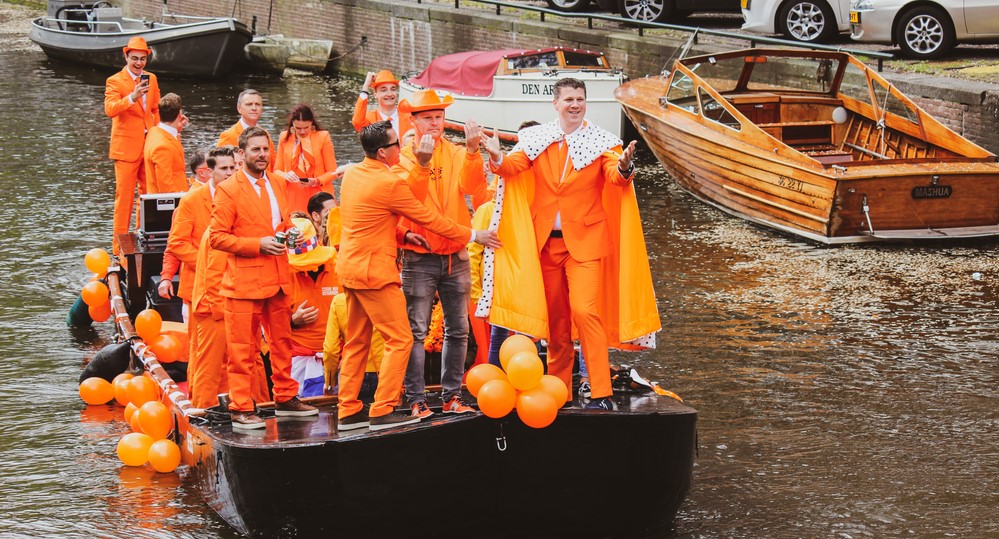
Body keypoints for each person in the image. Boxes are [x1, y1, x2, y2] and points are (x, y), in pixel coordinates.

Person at [484, 77, 659, 411]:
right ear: (556, 104)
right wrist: (495, 157)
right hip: (546, 245)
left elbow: (614, 176)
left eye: (580, 98)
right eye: (568, 99)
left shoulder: (602, 141)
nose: (575, 104)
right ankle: (559, 392)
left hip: (587, 245)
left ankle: (600, 391)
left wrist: (625, 167)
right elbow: (513, 166)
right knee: (556, 323)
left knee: (585, 311)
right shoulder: (536, 139)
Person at [335, 120, 500, 431]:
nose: (403, 147)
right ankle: (381, 410)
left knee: (357, 341)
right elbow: (430, 219)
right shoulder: (389, 183)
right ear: (384, 153)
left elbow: (369, 219)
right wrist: (473, 234)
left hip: (350, 268)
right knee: (401, 338)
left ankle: (348, 409)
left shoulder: (353, 174)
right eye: (397, 144)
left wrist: (403, 237)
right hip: (375, 273)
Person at [209, 126, 318, 429]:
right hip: (244, 284)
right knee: (243, 350)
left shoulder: (279, 182)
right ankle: (241, 407)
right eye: (255, 149)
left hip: (279, 277)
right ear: (241, 154)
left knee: (282, 343)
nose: (262, 154)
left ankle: (285, 397)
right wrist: (257, 245)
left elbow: (278, 222)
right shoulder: (229, 189)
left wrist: (289, 231)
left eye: (266, 149)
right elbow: (218, 238)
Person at [392, 89, 488, 419]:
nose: (435, 122)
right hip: (419, 255)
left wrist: (474, 151)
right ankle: (415, 398)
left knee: (458, 328)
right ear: (414, 120)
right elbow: (410, 199)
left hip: (455, 254)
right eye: (427, 117)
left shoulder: (456, 151)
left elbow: (473, 188)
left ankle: (452, 395)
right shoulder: (403, 156)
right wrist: (420, 163)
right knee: (416, 331)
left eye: (439, 116)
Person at [158, 145, 237, 359]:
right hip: (199, 290)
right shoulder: (191, 201)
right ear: (210, 171)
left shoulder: (241, 196)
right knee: (201, 352)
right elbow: (176, 244)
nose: (231, 173)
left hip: (236, 287)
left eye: (234, 167)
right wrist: (213, 265)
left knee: (237, 351)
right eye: (225, 168)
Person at [104, 36, 161, 255]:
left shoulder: (152, 79)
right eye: (135, 58)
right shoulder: (115, 81)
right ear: (126, 56)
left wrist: (157, 129)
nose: (139, 63)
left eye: (142, 59)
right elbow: (110, 109)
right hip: (126, 149)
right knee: (124, 198)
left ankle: (142, 239)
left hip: (148, 145)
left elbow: (155, 108)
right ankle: (118, 249)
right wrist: (132, 97)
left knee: (147, 196)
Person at [286, 215, 339, 398]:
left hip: (340, 359)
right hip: (298, 362)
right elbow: (266, 324)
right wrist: (292, 320)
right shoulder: (283, 274)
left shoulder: (337, 268)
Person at [274, 104, 343, 213]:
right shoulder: (284, 137)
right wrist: (286, 175)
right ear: (292, 124)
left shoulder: (323, 137)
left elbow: (332, 171)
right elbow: (276, 171)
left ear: (311, 122)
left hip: (319, 192)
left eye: (306, 127)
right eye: (298, 128)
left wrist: (316, 181)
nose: (302, 132)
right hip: (293, 195)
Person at [217, 89, 276, 170]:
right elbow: (220, 168)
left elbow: (273, 165)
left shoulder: (266, 134)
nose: (254, 108)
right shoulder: (228, 135)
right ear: (239, 108)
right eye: (249, 104)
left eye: (258, 104)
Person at [144, 93, 190, 194]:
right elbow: (166, 188)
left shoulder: (153, 132)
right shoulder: (163, 147)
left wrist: (177, 129)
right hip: (172, 205)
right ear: (179, 115)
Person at [351, 69, 413, 136]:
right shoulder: (371, 119)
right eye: (384, 90)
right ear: (375, 94)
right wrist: (366, 87)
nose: (389, 94)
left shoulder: (409, 116)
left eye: (393, 89)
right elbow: (358, 123)